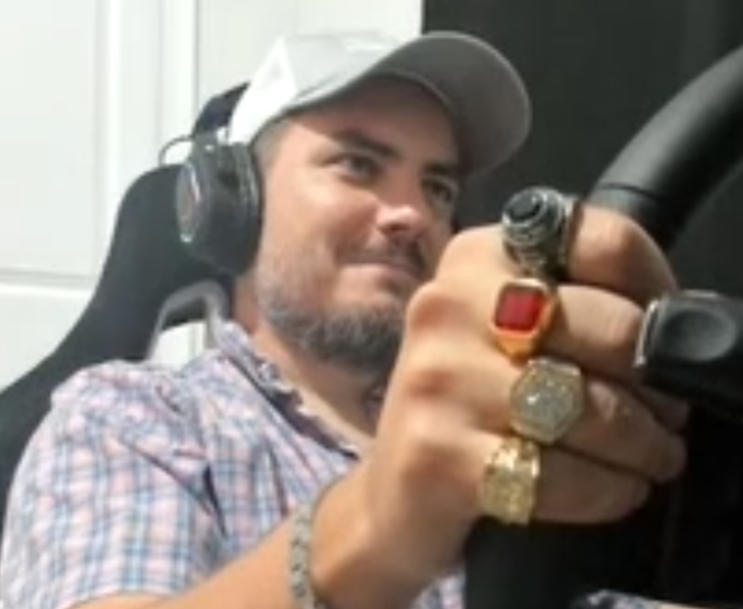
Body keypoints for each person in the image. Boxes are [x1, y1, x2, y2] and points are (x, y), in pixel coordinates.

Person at [0, 29, 693, 609]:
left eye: (437, 187)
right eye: (358, 165)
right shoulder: (131, 419)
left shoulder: (516, 431)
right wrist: (377, 523)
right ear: (236, 207)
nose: (412, 213)